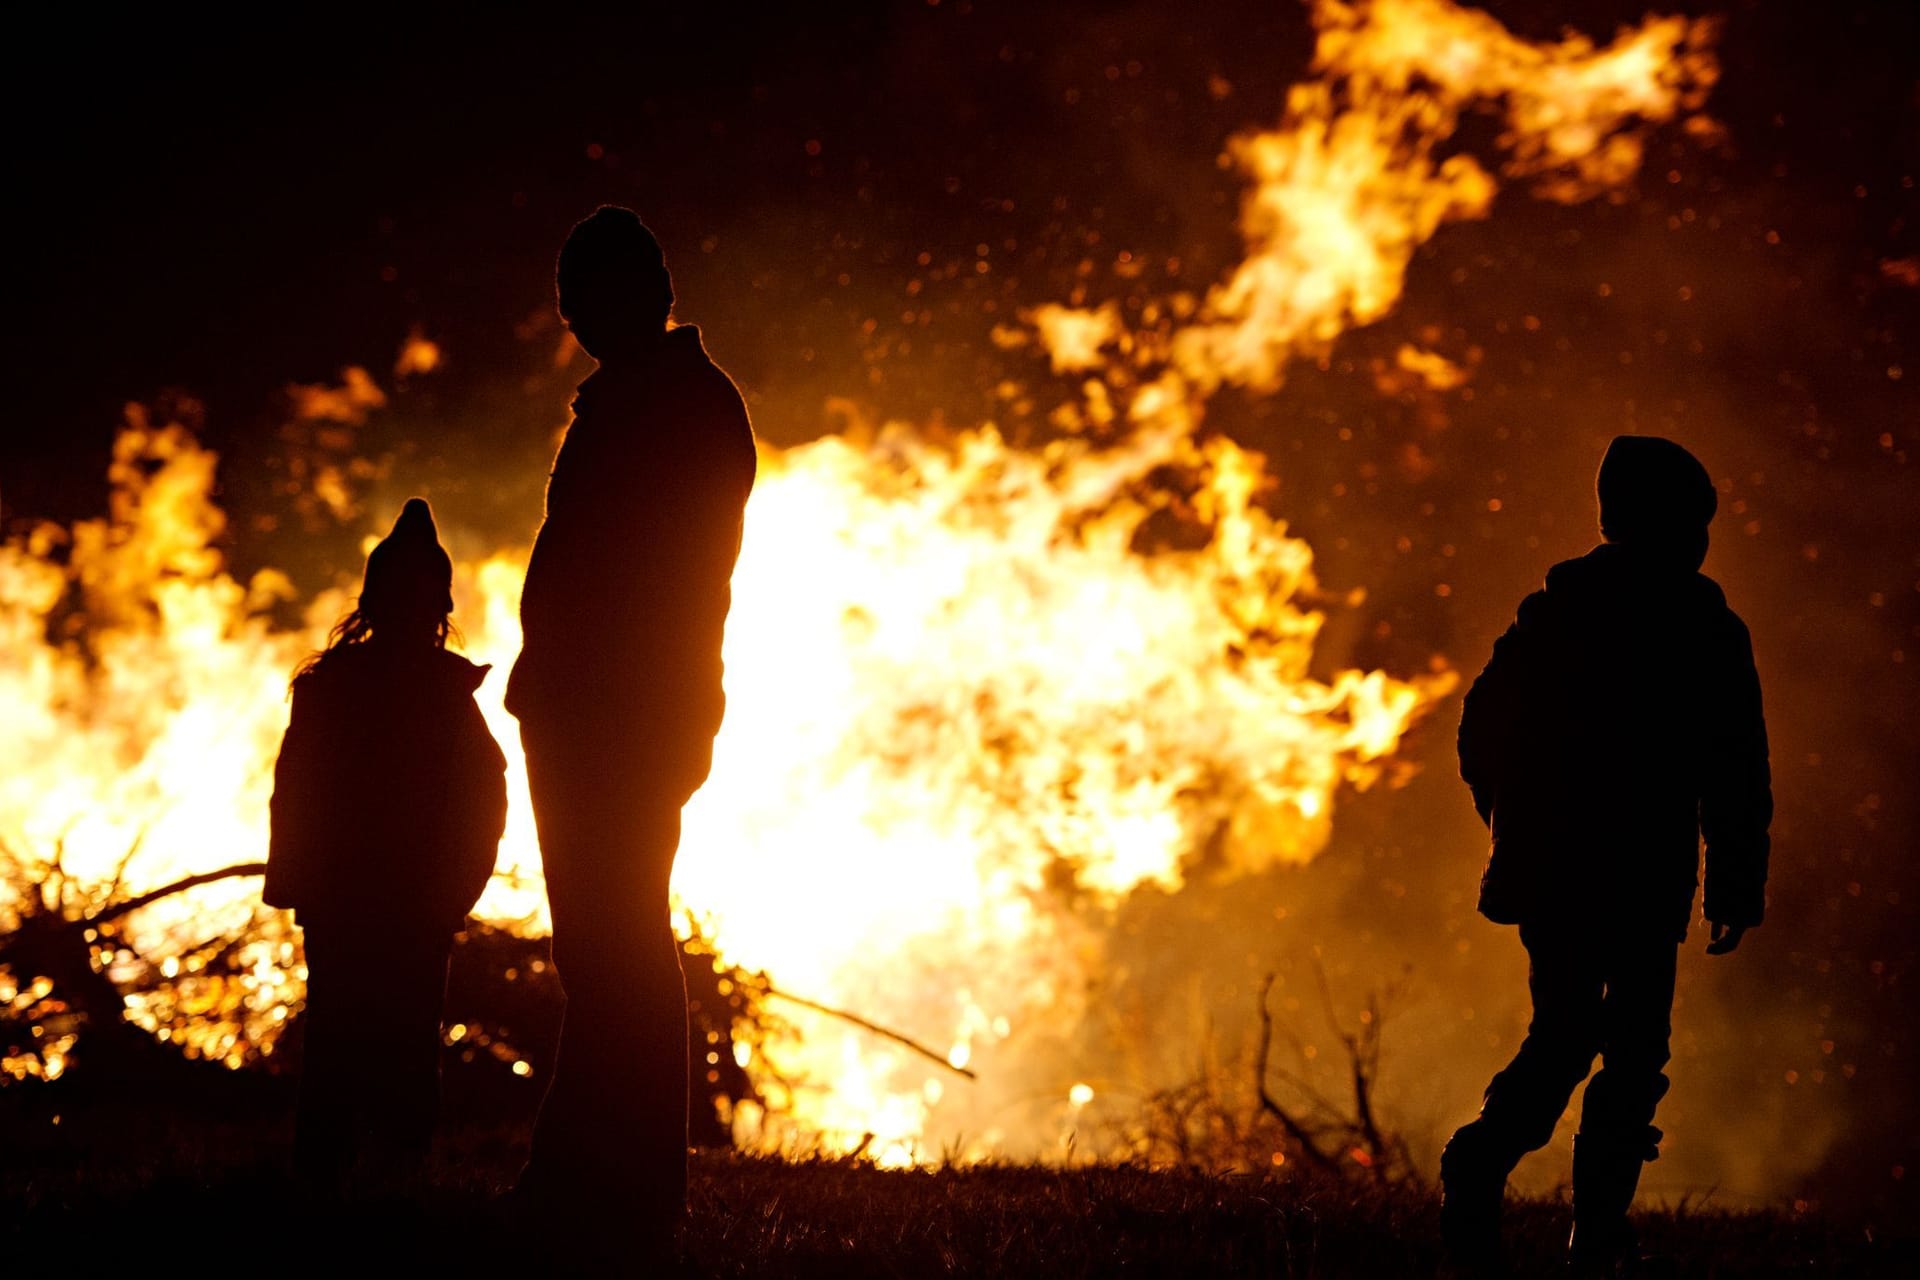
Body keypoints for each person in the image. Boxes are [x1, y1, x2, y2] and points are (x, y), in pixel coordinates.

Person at [1439, 436, 1772, 1276]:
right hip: (1634, 878)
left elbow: (1482, 730)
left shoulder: (1556, 615)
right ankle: (1576, 1220)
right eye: (1693, 522)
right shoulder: (1703, 629)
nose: (1700, 540)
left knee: (1576, 1036)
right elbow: (1735, 770)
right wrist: (1735, 883)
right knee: (1623, 1048)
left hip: (1565, 875)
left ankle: (1509, 1177)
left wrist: (1511, 827)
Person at [505, 206, 757, 1260]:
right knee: (605, 941)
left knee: (616, 942)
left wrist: (613, 692)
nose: (570, 311)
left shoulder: (671, 408)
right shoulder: (653, 401)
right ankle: (597, 1170)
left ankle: (622, 1181)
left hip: (620, 711)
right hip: (601, 706)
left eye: (586, 288)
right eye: (568, 291)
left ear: (645, 290)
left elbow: (654, 575)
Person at [265, 497, 508, 1189]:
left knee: (340, 1041)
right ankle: (393, 1184)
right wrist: (456, 891)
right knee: (402, 1044)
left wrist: (298, 885)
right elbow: (485, 802)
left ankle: (330, 1184)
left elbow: (295, 794)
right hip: (405, 905)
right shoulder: (436, 695)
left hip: (354, 902)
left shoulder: (331, 688)